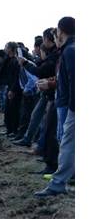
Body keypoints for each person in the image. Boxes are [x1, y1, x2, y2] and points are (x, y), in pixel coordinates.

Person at [35, 17, 75, 198]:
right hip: (66, 103)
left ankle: (58, 184)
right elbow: (65, 79)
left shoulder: (71, 51)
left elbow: (74, 82)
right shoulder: (68, 50)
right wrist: (52, 83)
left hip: (69, 106)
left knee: (66, 145)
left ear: (61, 31)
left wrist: (72, 109)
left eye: (56, 32)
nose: (55, 35)